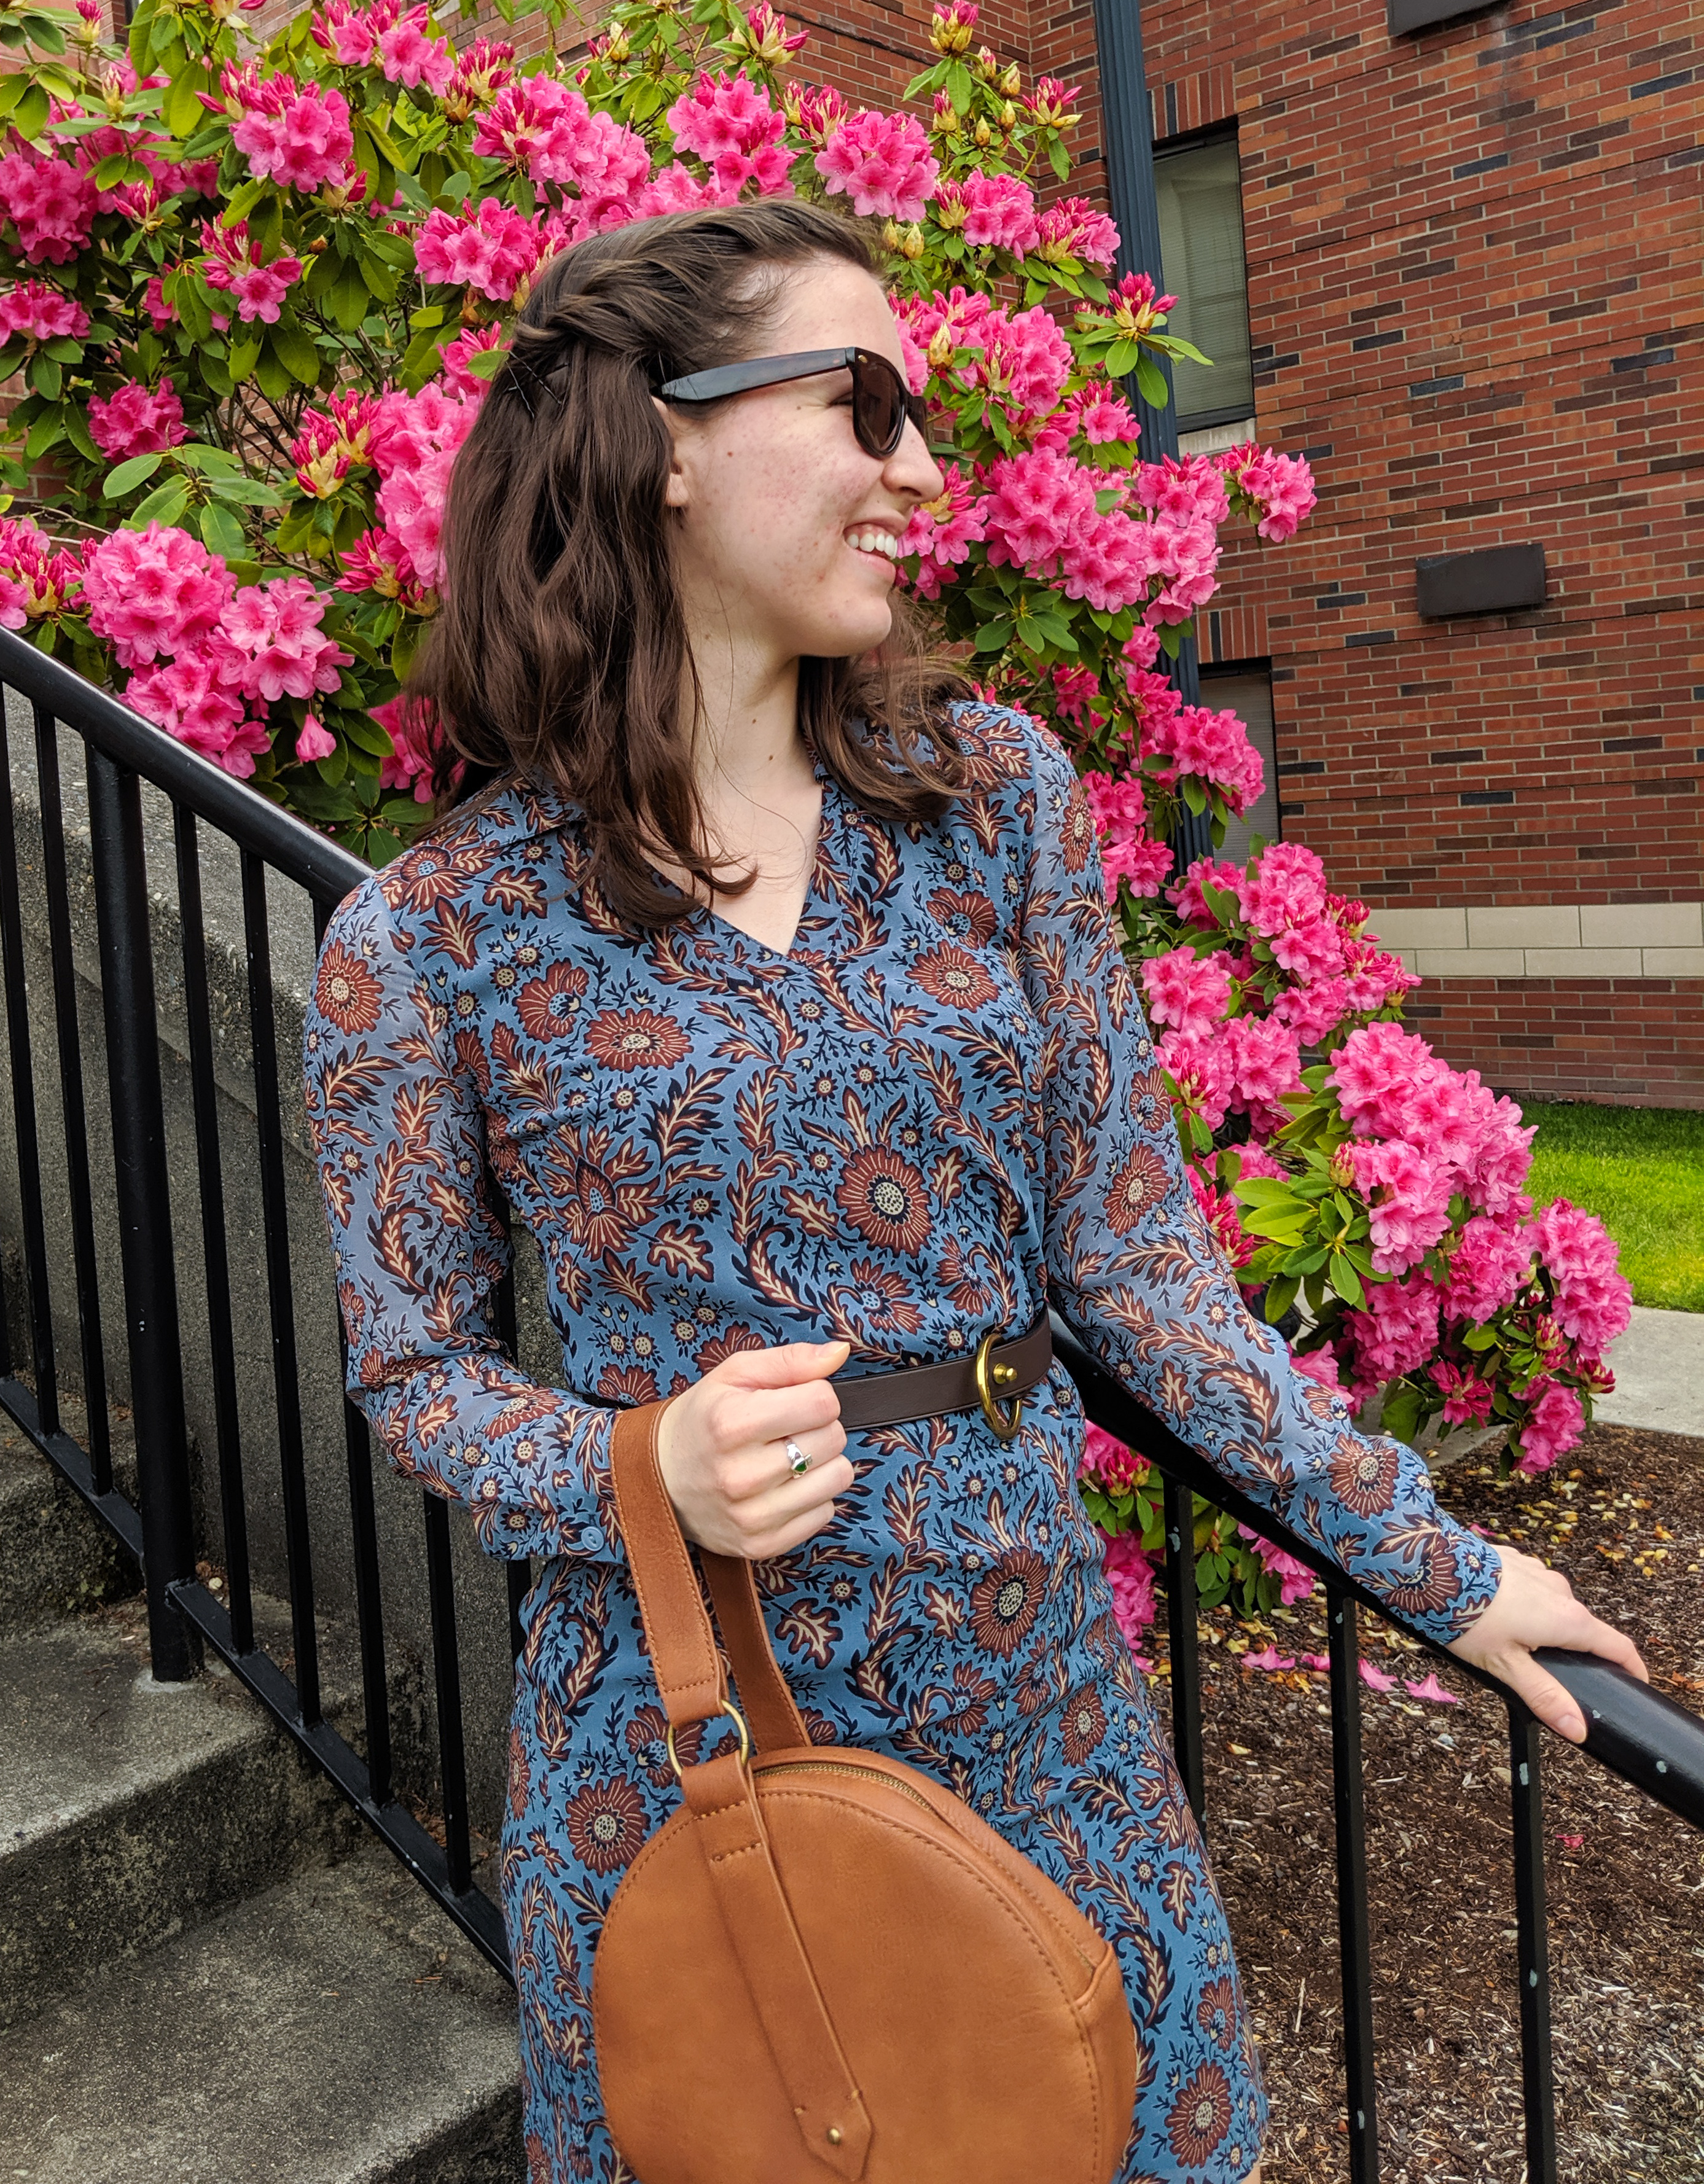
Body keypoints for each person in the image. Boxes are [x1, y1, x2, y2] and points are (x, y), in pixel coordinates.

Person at [303, 196, 1647, 2184]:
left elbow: (1142, 1270)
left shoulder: (991, 799)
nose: (923, 468)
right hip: (691, 1736)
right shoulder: (426, 937)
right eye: (864, 402)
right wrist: (635, 1462)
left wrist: (1436, 1565)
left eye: (922, 415)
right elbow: (411, 1369)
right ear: (662, 440)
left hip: (1031, 1687)